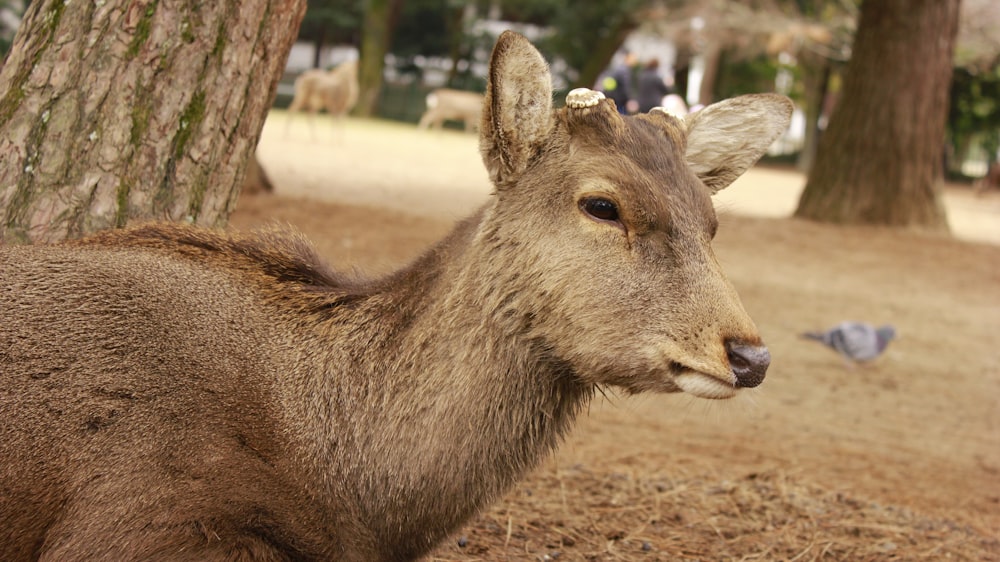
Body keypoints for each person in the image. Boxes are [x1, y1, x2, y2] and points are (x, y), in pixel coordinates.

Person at [600, 51, 637, 115]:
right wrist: (629, 100)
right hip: (619, 101)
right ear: (628, 59)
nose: (635, 62)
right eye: (634, 59)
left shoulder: (619, 68)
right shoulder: (625, 71)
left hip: (613, 99)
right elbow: (625, 88)